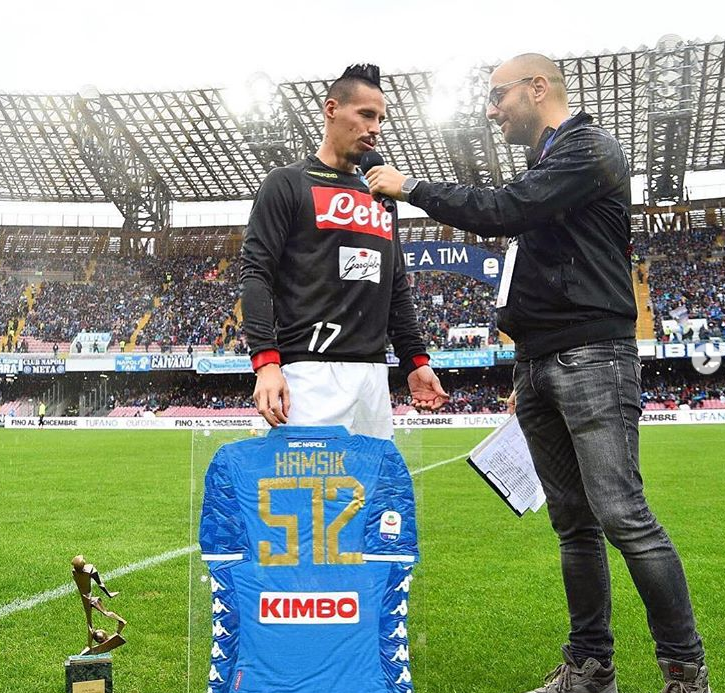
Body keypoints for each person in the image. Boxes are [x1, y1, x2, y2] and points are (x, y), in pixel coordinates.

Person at [367, 53, 709, 693]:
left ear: (537, 87)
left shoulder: (589, 148)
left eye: (498, 96)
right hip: (539, 360)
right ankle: (590, 669)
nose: (491, 111)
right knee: (573, 525)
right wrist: (526, 358)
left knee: (622, 516)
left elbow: (506, 210)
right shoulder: (548, 161)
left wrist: (413, 187)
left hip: (592, 355)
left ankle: (685, 673)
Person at [241, 64, 448, 440]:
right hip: (309, 372)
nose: (375, 128)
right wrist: (266, 361)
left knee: (370, 481)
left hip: (374, 376)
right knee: (310, 480)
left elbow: (395, 285)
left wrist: (415, 361)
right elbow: (256, 272)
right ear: (331, 109)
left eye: (381, 119)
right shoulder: (288, 183)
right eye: (366, 114)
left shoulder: (382, 196)